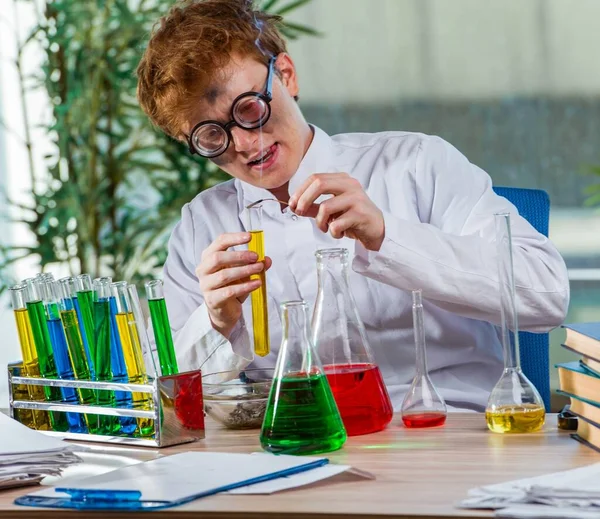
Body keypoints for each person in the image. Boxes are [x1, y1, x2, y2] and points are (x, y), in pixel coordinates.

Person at [136, 0, 570, 411]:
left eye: (250, 109)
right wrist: (215, 322)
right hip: (296, 448)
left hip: (447, 430)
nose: (245, 144)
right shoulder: (203, 223)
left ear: (286, 77)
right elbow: (172, 400)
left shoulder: (415, 164)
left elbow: (547, 296)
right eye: (212, 136)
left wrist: (387, 236)